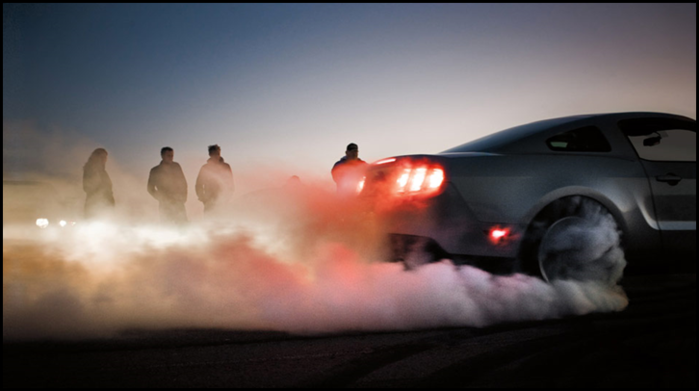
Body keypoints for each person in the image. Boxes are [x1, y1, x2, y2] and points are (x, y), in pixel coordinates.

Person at [147, 147, 189, 225]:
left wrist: (184, 196)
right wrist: (161, 198)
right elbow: (150, 188)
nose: (171, 158)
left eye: (172, 155)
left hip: (178, 202)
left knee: (183, 225)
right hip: (165, 204)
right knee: (167, 225)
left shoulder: (176, 166)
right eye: (168, 155)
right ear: (162, 156)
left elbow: (183, 182)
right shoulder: (155, 170)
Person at [195, 144, 235, 213]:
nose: (216, 156)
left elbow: (230, 182)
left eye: (218, 154)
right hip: (209, 200)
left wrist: (228, 196)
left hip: (223, 199)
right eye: (214, 154)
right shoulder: (205, 168)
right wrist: (202, 197)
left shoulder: (226, 166)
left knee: (223, 219)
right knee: (209, 220)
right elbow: (199, 183)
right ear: (210, 154)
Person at [82, 147, 115, 219]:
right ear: (96, 157)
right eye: (102, 157)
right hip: (95, 206)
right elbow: (87, 187)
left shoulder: (102, 171)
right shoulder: (91, 169)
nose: (105, 159)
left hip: (105, 206)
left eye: (106, 157)